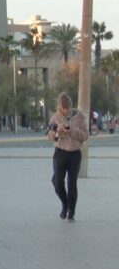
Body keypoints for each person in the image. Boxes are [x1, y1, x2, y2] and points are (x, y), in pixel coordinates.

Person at [48, 92, 88, 222]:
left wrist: (71, 130)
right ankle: (65, 204)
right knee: (57, 182)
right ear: (59, 107)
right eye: (63, 108)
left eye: (68, 108)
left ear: (71, 105)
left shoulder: (79, 117)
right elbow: (49, 136)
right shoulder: (55, 118)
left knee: (72, 183)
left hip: (74, 155)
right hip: (60, 153)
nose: (65, 111)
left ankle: (71, 211)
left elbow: (85, 136)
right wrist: (56, 132)